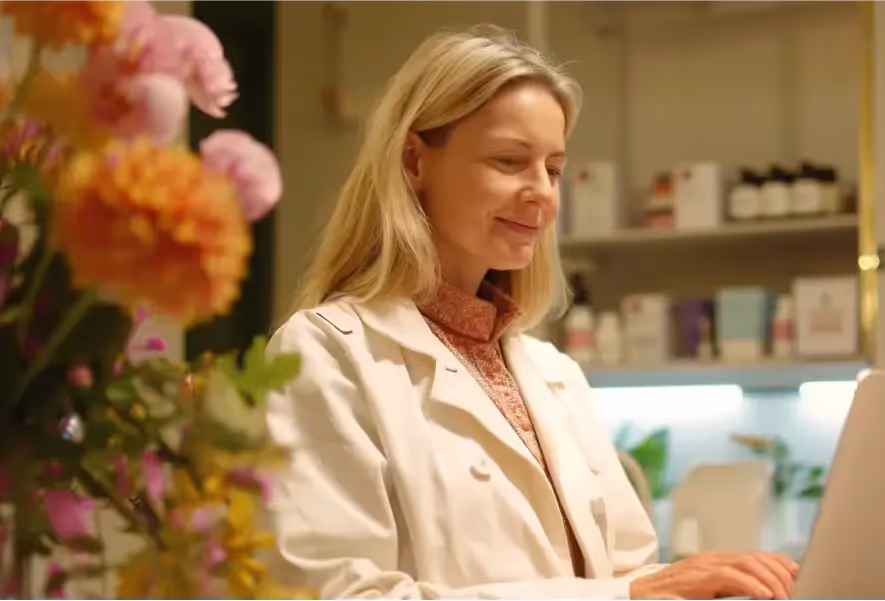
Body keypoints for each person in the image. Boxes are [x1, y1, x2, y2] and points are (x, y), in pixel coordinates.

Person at [264, 25, 798, 600]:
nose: (542, 192)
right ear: (415, 162)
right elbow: (331, 595)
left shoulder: (553, 374)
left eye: (554, 168)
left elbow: (631, 574)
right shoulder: (328, 353)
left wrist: (703, 584)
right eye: (509, 160)